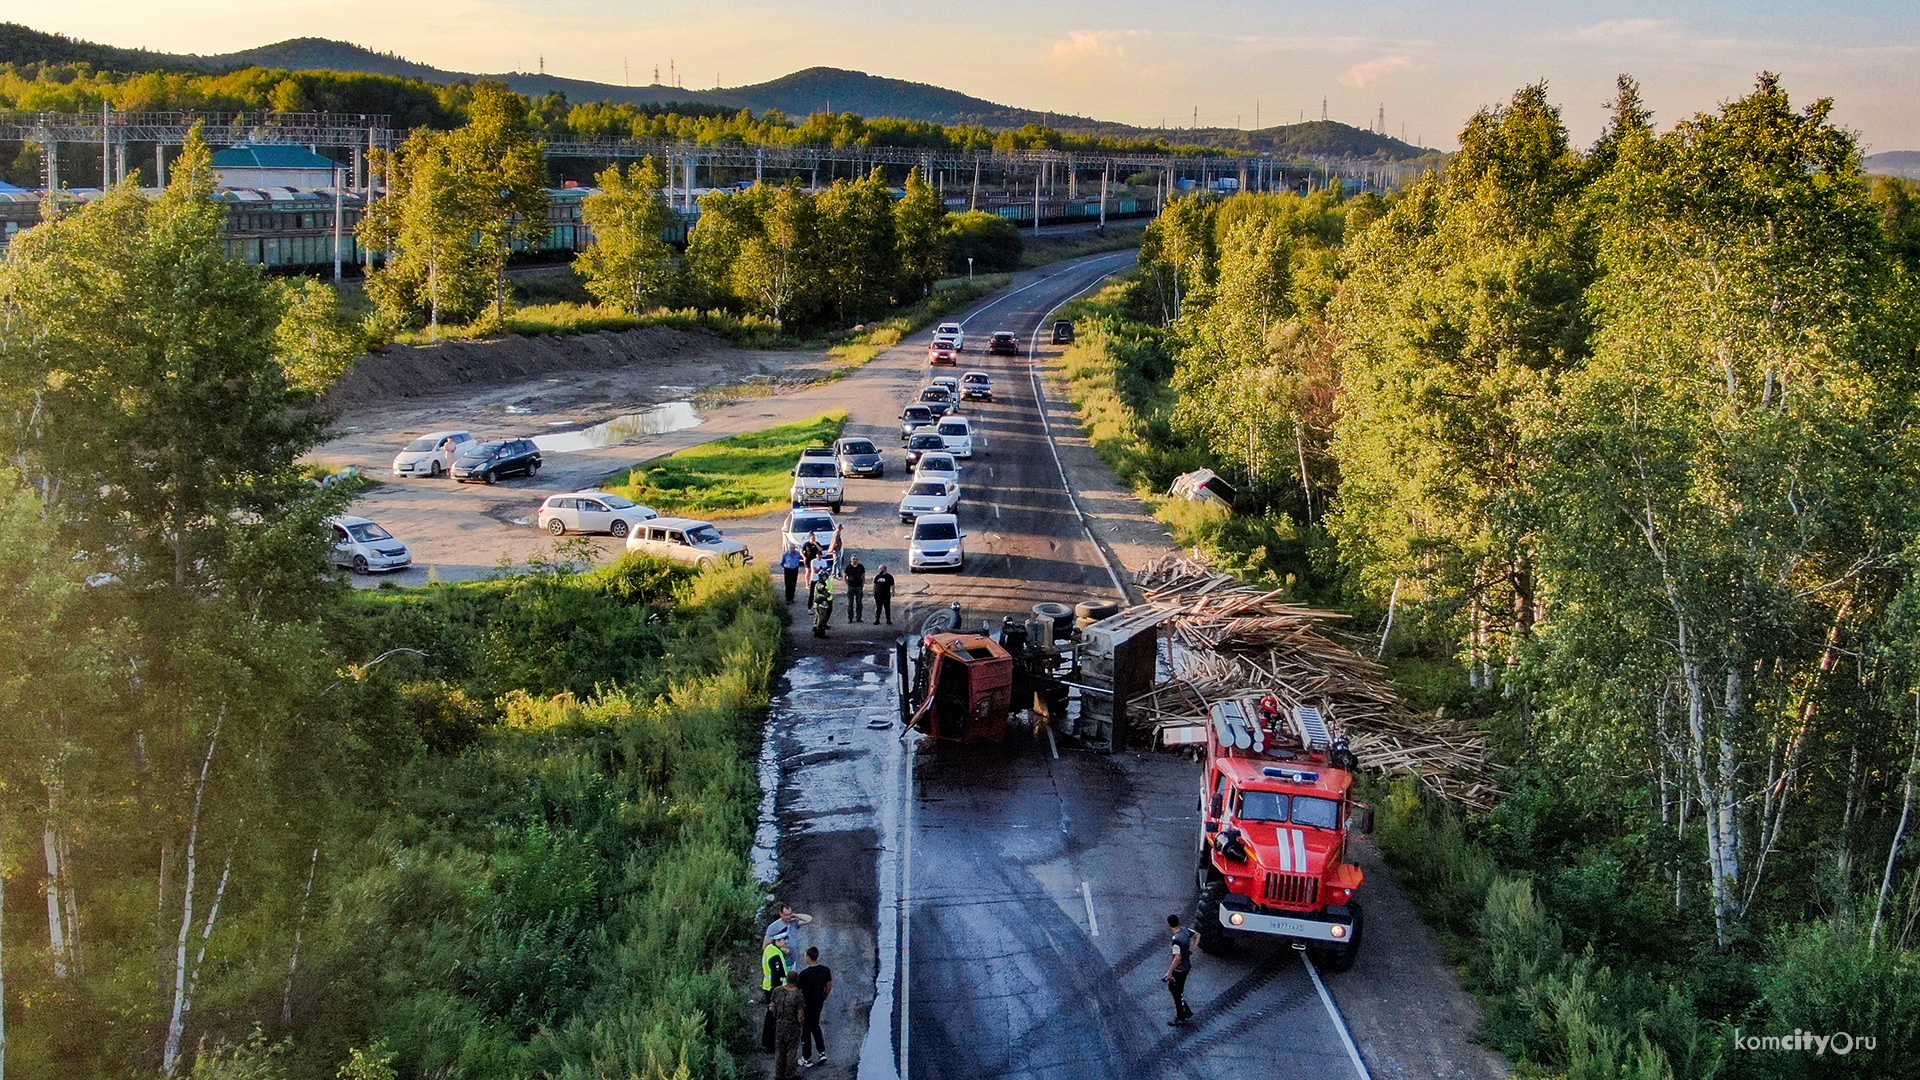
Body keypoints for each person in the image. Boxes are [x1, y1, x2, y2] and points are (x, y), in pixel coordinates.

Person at [794, 946, 833, 1067]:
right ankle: (822, 1052)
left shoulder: (804, 974)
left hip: (807, 1005)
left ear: (808, 957)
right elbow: (829, 986)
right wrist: (823, 997)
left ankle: (807, 1057)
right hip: (818, 1004)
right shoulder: (825, 970)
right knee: (816, 1026)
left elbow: (797, 990)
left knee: (806, 1030)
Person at [772, 969, 808, 1079]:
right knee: (791, 1051)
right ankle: (790, 1074)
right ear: (796, 980)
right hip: (792, 1026)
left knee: (780, 1050)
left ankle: (779, 1074)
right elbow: (800, 1014)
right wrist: (800, 1025)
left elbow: (772, 1007)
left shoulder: (777, 991)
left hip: (780, 1024)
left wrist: (776, 1018)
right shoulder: (798, 995)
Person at [761, 930, 793, 1051]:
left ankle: (767, 1042)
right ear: (777, 941)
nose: (786, 942)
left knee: (770, 1015)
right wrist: (778, 993)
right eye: (784, 940)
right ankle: (771, 1045)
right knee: (774, 1017)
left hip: (769, 987)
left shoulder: (770, 949)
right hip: (774, 989)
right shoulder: (775, 955)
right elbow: (777, 976)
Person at [1163, 913, 1197, 1025]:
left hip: (1179, 970)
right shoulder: (1186, 931)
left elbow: (1177, 958)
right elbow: (1197, 935)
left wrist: (1169, 972)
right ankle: (1184, 1009)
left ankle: (1180, 1016)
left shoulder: (1176, 940)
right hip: (1186, 966)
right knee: (1173, 988)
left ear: (1169, 925)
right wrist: (1192, 949)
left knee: (1177, 992)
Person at [843, 554, 866, 623]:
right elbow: (845, 576)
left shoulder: (861, 567)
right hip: (851, 587)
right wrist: (847, 584)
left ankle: (859, 617)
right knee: (850, 603)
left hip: (859, 587)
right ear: (851, 560)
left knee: (859, 603)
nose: (855, 560)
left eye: (856, 559)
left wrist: (862, 584)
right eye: (853, 559)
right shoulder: (848, 567)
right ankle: (850, 618)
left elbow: (863, 576)